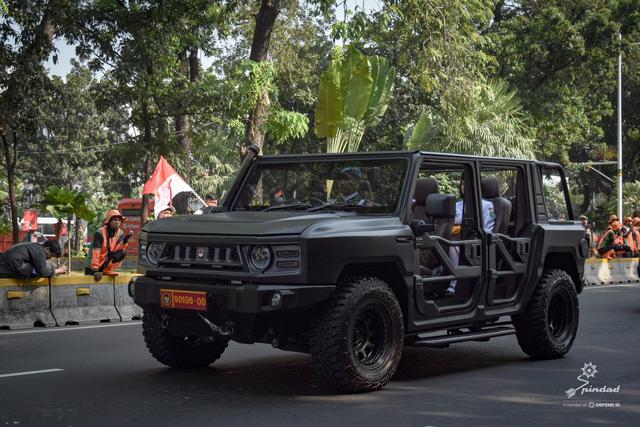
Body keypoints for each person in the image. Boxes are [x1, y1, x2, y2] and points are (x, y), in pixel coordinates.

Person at [446, 180, 495, 297]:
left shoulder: (487, 205)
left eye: (467, 182)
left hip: (476, 242)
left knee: (453, 247)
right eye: (462, 184)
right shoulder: (457, 204)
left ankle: (454, 283)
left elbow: (487, 227)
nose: (464, 186)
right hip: (455, 238)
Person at [84, 209, 132, 280]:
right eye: (115, 220)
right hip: (92, 267)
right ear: (109, 221)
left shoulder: (120, 233)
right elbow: (96, 252)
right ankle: (100, 270)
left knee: (122, 253)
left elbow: (118, 249)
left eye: (119, 220)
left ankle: (107, 270)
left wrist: (126, 239)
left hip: (104, 263)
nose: (117, 222)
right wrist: (95, 270)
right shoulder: (99, 233)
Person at [0, 240, 67, 278]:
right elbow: (43, 272)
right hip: (9, 267)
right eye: (51, 255)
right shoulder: (40, 251)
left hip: (4, 265)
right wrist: (58, 270)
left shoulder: (35, 246)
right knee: (37, 271)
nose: (50, 258)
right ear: (47, 249)